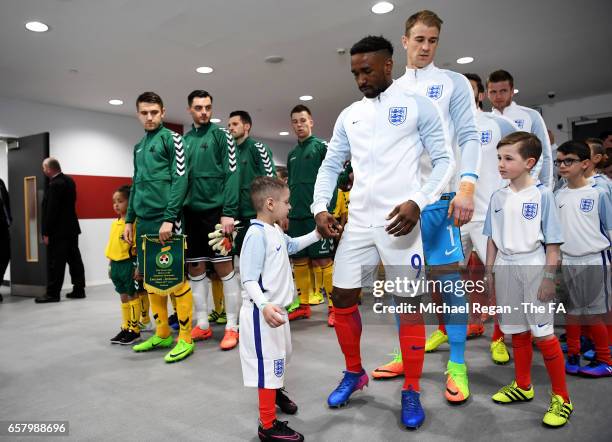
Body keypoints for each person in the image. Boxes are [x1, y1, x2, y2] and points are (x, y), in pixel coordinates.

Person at [313, 35, 452, 429]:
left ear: (388, 65)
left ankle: (410, 388)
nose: (360, 79)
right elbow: (330, 165)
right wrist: (320, 207)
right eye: (355, 72)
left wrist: (419, 201)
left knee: (407, 305)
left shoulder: (416, 106)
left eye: (367, 70)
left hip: (400, 224)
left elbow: (444, 161)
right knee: (341, 297)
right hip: (358, 223)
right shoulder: (349, 115)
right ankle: (354, 372)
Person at [373, 10, 481, 405]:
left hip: (440, 201)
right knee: (405, 289)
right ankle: (408, 353)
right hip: (401, 206)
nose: (425, 47)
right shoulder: (390, 88)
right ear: (404, 41)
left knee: (449, 285)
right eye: (419, 39)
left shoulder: (451, 83)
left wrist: (466, 187)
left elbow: (468, 135)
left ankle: (456, 364)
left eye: (432, 40)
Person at [484, 131, 572, 427]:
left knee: (543, 334)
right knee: (516, 332)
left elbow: (553, 244)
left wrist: (549, 277)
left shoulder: (543, 195)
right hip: (505, 267)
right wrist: (488, 272)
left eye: (508, 158)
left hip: (533, 266)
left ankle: (562, 398)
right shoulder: (497, 196)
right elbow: (491, 238)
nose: (501, 164)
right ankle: (523, 386)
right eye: (499, 157)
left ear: (529, 162)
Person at [239, 176, 322, 442]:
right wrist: (263, 305)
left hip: (279, 312)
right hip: (263, 314)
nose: (290, 207)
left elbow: (293, 245)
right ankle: (267, 424)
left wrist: (318, 233)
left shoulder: (275, 230)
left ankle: (275, 392)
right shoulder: (255, 234)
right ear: (270, 203)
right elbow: (249, 278)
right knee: (269, 365)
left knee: (282, 358)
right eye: (286, 202)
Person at [125, 91, 194, 363]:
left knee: (176, 279)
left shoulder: (173, 139)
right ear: (138, 114)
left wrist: (170, 216)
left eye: (154, 112)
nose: (150, 117)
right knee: (152, 281)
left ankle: (186, 338)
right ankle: (163, 332)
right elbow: (136, 183)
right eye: (144, 112)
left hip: (168, 219)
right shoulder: (139, 146)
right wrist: (130, 218)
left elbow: (181, 179)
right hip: (144, 222)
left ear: (163, 112)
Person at [182, 90, 242, 351]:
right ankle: (203, 324)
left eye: (207, 107)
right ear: (190, 110)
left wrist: (228, 211)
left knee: (224, 269)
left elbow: (232, 174)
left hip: (217, 214)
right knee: (195, 270)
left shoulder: (223, 136)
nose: (204, 112)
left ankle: (232, 326)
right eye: (198, 107)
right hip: (190, 215)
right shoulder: (183, 142)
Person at [554, 140, 612, 378]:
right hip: (568, 260)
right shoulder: (558, 194)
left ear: (585, 163)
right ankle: (574, 355)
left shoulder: (599, 192)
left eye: (569, 161)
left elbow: (609, 228)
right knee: (572, 312)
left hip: (593, 260)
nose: (563, 166)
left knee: (593, 314)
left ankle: (605, 359)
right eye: (559, 162)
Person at [287, 105, 336, 322]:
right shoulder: (291, 154)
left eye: (303, 120)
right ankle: (304, 304)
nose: (299, 125)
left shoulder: (321, 147)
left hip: (317, 215)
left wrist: (328, 210)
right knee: (299, 261)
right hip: (296, 216)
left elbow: (333, 177)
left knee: (322, 261)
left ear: (311, 122)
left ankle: (335, 308)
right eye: (295, 121)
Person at [487, 69, 554, 189]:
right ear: (487, 93)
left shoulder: (531, 116)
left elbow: (544, 154)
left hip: (525, 187)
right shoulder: (484, 121)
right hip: (493, 190)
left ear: (512, 92)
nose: (498, 96)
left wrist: (545, 189)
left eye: (503, 91)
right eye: (493, 92)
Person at [35, 158, 86, 303]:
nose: (43, 171)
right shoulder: (69, 181)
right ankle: (79, 289)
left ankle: (52, 294)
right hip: (71, 228)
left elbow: (51, 210)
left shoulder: (55, 184)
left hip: (58, 231)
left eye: (44, 168)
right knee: (75, 259)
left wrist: (45, 232)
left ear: (49, 169)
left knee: (56, 263)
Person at [227, 110, 277, 252]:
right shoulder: (229, 152)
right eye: (229, 125)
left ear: (247, 126)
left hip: (256, 216)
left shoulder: (257, 148)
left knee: (259, 260)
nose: (231, 128)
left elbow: (270, 181)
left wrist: (270, 214)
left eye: (235, 124)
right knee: (239, 261)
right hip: (235, 217)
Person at [106, 185, 141, 345]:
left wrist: (137, 265)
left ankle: (134, 329)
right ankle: (125, 326)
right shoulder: (115, 224)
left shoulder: (133, 223)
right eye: (114, 202)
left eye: (120, 201)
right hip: (116, 265)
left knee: (132, 294)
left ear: (130, 202)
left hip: (128, 263)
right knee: (123, 295)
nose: (116, 205)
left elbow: (137, 246)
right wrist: (110, 265)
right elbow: (112, 246)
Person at [0, 178, 11, 303]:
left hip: (3, 226)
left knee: (5, 255)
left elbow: (6, 201)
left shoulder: (0, 183)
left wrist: (9, 218)